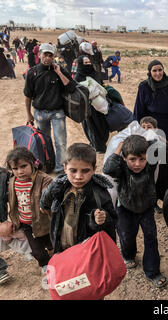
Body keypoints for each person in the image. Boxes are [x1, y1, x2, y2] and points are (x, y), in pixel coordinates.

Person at [102, 135, 168, 289]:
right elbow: (107, 168)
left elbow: (161, 144)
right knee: (126, 235)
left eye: (142, 159)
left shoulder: (150, 164)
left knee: (151, 238)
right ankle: (128, 255)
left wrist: (146, 139)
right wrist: (121, 145)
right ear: (124, 158)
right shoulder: (121, 168)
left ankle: (152, 271)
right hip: (125, 208)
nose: (137, 164)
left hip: (146, 209)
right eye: (132, 159)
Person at [40, 143, 117, 254]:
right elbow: (45, 201)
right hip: (62, 246)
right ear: (65, 167)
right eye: (73, 170)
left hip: (87, 250)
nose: (78, 176)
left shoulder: (99, 192)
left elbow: (113, 220)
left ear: (94, 169)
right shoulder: (58, 186)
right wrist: (44, 204)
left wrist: (101, 218)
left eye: (85, 171)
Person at [24, 43, 77, 174]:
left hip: (57, 113)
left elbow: (71, 87)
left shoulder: (59, 69)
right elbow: (28, 95)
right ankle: (48, 166)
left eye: (50, 55)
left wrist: (59, 72)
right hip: (40, 114)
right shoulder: (32, 72)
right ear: (39, 54)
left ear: (53, 56)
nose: (47, 58)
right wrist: (28, 114)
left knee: (60, 142)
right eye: (45, 55)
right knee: (44, 143)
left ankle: (60, 169)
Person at [133, 60, 168, 210]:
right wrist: (139, 133)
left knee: (167, 167)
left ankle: (166, 197)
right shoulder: (144, 87)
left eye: (160, 70)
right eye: (154, 71)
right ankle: (151, 201)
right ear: (149, 72)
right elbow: (139, 111)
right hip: (152, 132)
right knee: (152, 167)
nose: (158, 73)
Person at [6, 147, 53, 276]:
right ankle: (45, 264)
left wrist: (46, 198)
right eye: (15, 169)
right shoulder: (12, 182)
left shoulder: (43, 179)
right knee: (37, 250)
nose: (20, 171)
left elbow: (50, 193)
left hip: (44, 222)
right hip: (27, 224)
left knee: (51, 242)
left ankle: (55, 255)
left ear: (33, 163)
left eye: (23, 166)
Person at [74, 55, 109, 154]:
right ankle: (97, 146)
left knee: (102, 126)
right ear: (81, 64)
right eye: (85, 63)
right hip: (87, 108)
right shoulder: (78, 77)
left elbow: (101, 85)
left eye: (89, 62)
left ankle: (101, 143)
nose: (88, 65)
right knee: (91, 127)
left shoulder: (95, 73)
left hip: (100, 106)